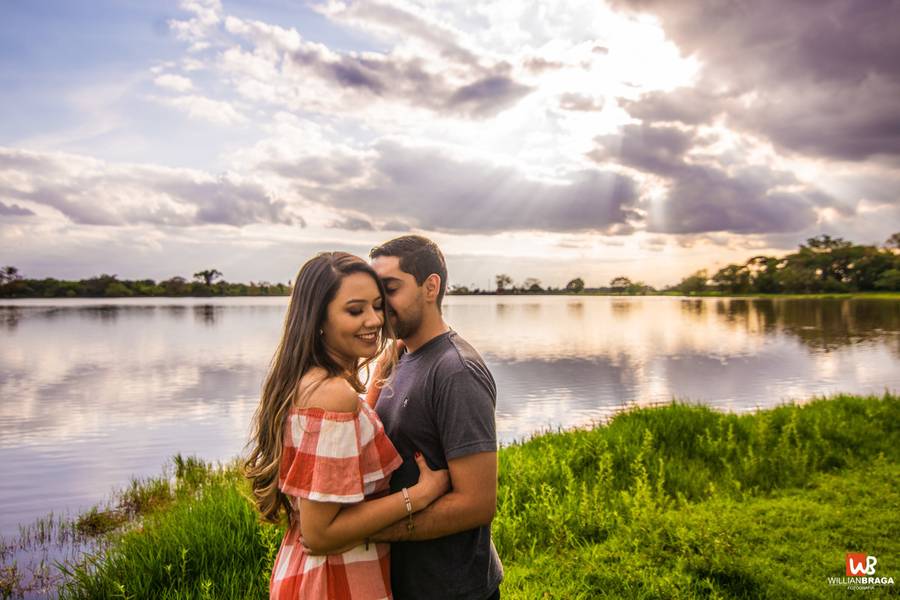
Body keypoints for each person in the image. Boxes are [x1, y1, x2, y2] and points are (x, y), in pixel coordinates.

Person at [245, 251, 450, 599]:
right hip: (336, 581)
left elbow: (350, 436)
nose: (374, 320)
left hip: (312, 574)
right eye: (355, 311)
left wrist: (384, 366)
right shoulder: (331, 395)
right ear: (319, 319)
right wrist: (420, 495)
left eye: (377, 305)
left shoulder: (311, 381)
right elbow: (320, 533)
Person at [367, 235, 503, 600]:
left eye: (391, 288)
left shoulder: (456, 371)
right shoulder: (397, 354)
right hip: (401, 583)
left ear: (431, 287)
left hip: (453, 589)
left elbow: (477, 503)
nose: (380, 305)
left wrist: (366, 529)